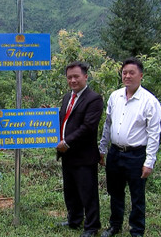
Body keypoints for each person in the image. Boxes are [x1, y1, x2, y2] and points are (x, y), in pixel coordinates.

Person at [99, 58, 161, 237]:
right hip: (115, 152)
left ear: (141, 76)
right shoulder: (115, 96)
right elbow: (108, 124)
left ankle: (137, 230)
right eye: (124, 72)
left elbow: (153, 134)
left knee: (137, 195)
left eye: (131, 73)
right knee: (115, 192)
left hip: (136, 155)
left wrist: (149, 162)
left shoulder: (149, 102)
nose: (127, 76)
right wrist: (102, 149)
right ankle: (115, 225)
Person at [56, 61, 103, 237]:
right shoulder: (68, 97)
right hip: (66, 154)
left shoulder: (94, 99)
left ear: (85, 76)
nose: (73, 80)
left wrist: (66, 142)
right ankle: (74, 220)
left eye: (76, 76)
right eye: (69, 77)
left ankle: (92, 226)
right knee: (70, 190)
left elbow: (88, 127)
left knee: (88, 192)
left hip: (83, 155)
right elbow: (64, 121)